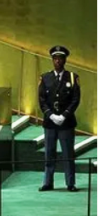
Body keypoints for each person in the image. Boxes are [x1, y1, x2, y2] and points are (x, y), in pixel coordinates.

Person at [38, 45, 81, 192]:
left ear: (65, 60)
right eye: (55, 58)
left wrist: (64, 115)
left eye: (60, 58)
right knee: (49, 154)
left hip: (66, 122)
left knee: (68, 154)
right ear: (52, 60)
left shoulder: (72, 77)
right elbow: (42, 100)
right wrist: (51, 115)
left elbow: (75, 99)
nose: (57, 61)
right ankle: (47, 182)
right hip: (50, 123)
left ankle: (70, 183)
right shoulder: (45, 78)